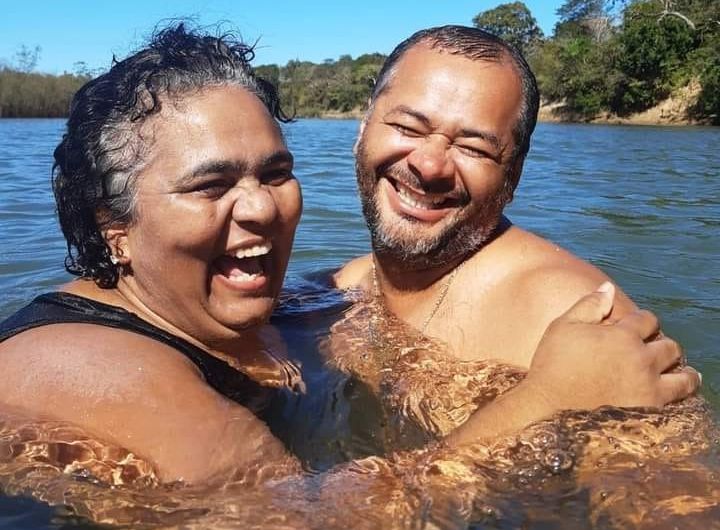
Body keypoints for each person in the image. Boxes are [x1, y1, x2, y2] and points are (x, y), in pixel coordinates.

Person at [0, 24, 697, 487]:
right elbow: (300, 521)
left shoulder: (310, 299)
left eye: (276, 172)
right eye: (210, 184)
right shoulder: (89, 367)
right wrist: (546, 402)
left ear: (512, 177)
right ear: (113, 226)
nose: (261, 206)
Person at [333, 25, 701, 445]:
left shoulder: (581, 321)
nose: (430, 164)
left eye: (474, 148)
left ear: (513, 177)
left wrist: (548, 401)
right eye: (408, 127)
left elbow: (684, 487)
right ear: (363, 129)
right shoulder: (338, 289)